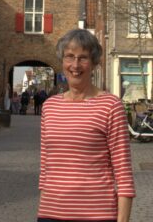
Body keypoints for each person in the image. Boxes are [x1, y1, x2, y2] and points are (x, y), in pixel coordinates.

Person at [38, 29, 135, 222]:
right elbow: (46, 169)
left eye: (83, 58)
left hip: (97, 215)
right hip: (50, 214)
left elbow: (123, 173)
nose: (75, 65)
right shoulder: (50, 107)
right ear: (62, 61)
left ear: (94, 63)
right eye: (69, 56)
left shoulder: (110, 106)